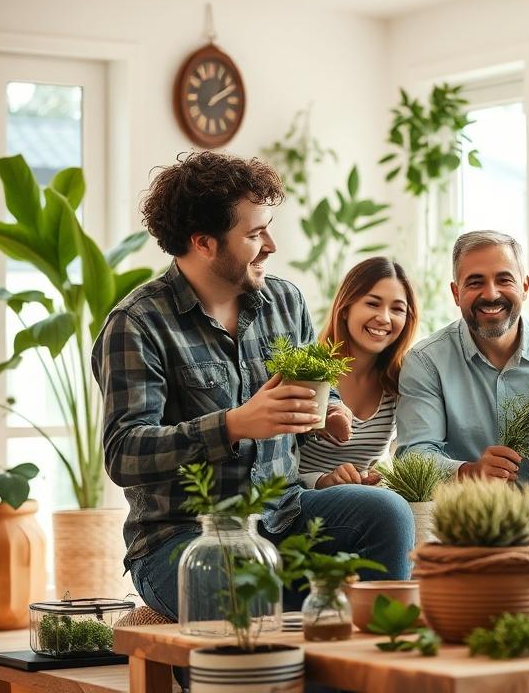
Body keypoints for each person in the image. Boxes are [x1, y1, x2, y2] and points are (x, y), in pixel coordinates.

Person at [92, 151, 414, 621]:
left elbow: (319, 385)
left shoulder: (285, 301)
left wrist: (331, 410)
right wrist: (232, 425)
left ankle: (366, 649)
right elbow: (124, 452)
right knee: (242, 586)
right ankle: (289, 631)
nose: (271, 245)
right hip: (185, 537)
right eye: (255, 234)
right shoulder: (138, 324)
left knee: (387, 512)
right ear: (204, 243)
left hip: (285, 515)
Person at [395, 230, 529, 543]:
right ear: (456, 293)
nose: (491, 293)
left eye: (504, 279)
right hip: (465, 521)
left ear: (525, 286)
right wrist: (468, 472)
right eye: (475, 282)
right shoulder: (426, 361)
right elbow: (414, 455)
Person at [298, 257, 419, 488]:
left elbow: (387, 457)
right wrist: (322, 481)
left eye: (397, 309)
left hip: (362, 501)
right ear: (345, 309)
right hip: (298, 500)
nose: (384, 318)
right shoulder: (309, 370)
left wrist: (377, 474)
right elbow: (269, 462)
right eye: (373, 304)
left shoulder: (399, 381)